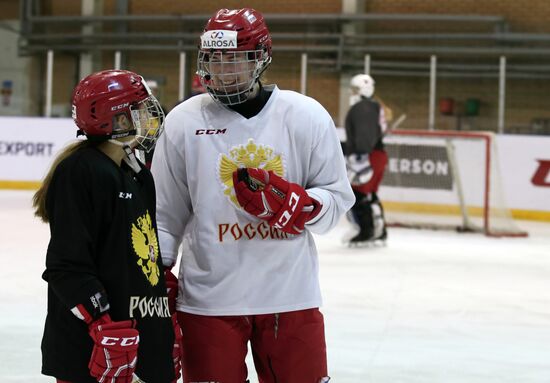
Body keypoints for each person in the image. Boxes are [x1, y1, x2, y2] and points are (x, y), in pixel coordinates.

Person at [151, 8, 354, 383]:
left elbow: (337, 198)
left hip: (290, 295)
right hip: (209, 299)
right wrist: (154, 276)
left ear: (260, 57)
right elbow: (166, 212)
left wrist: (304, 206)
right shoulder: (182, 121)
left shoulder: (306, 116)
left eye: (234, 59)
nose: (223, 70)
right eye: (214, 59)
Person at [32, 69, 182, 383]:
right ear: (119, 120)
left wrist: (162, 323)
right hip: (98, 346)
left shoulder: (138, 172)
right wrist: (101, 325)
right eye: (138, 109)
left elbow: (139, 255)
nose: (149, 115)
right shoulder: (81, 171)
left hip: (140, 337)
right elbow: (67, 266)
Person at [344, 73, 389, 246]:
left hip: (368, 156)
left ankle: (366, 231)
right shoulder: (372, 106)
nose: (352, 93)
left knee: (358, 194)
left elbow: (364, 135)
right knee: (369, 194)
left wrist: (359, 155)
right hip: (377, 154)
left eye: (355, 89)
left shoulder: (363, 107)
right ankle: (379, 231)